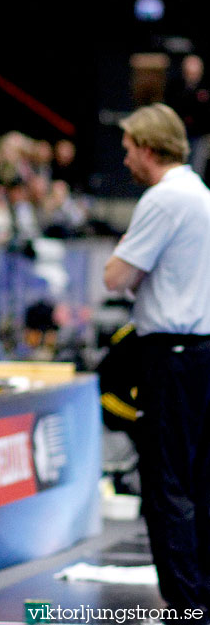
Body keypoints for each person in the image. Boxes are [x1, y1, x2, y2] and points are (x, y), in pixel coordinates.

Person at [103, 102, 210, 622]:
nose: (124, 159)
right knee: (196, 478)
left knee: (168, 484)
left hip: (170, 354)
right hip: (198, 352)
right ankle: (200, 595)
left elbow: (115, 278)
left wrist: (124, 252)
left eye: (127, 149)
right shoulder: (199, 194)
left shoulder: (164, 200)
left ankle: (185, 604)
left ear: (147, 147)